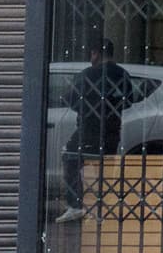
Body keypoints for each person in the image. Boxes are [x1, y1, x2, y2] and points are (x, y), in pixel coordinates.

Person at [59, 38, 139, 222]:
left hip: (88, 128)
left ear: (96, 53)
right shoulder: (123, 74)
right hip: (112, 128)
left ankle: (76, 204)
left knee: (71, 157)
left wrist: (87, 107)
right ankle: (102, 207)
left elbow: (70, 99)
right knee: (105, 166)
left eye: (92, 53)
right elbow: (129, 101)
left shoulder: (86, 75)